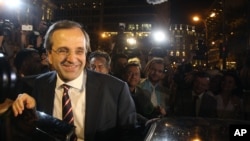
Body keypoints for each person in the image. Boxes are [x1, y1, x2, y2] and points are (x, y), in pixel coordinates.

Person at [11, 20, 137, 141]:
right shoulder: (34, 85)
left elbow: (130, 136)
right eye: (63, 50)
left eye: (79, 51)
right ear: (49, 55)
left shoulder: (116, 89)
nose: (72, 59)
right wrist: (29, 112)